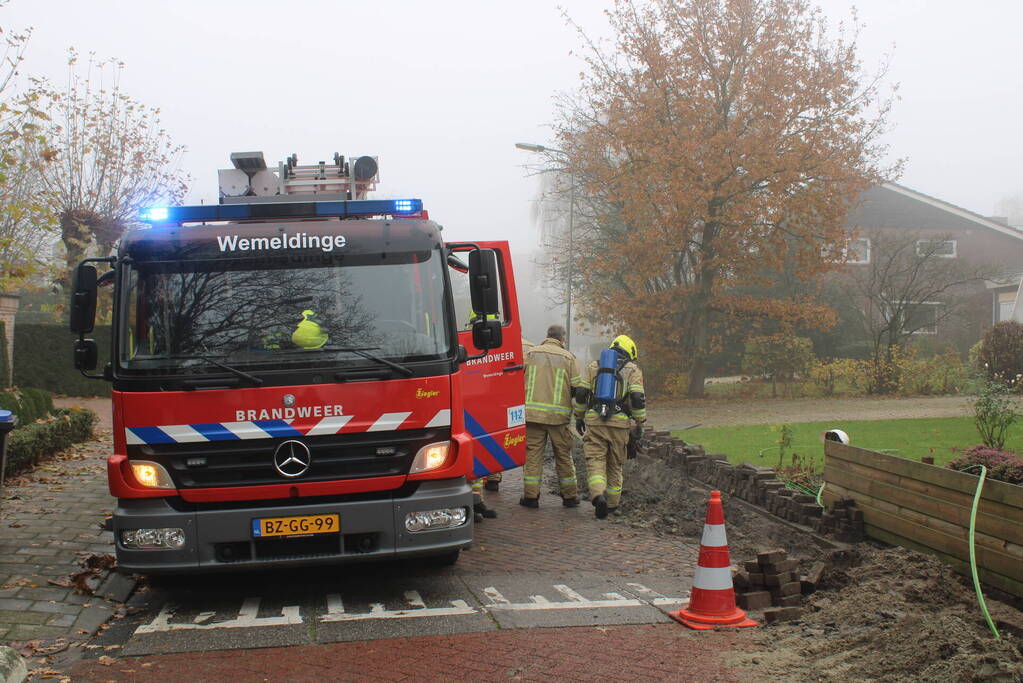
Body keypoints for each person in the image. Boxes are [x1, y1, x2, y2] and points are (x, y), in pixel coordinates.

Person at [574, 334, 646, 519]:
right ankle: (612, 506)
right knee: (615, 464)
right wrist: (640, 422)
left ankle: (598, 495)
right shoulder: (633, 370)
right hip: (619, 424)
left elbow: (581, 393)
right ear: (629, 352)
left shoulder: (594, 366)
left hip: (595, 421)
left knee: (595, 460)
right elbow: (637, 398)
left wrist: (579, 417)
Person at [519, 325, 582, 508]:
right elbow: (577, 389)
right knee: (563, 456)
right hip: (558, 418)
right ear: (562, 339)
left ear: (547, 336)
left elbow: (517, 378)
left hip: (532, 415)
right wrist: (579, 415)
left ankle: (531, 497)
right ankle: (570, 497)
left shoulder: (531, 354)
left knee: (533, 456)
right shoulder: (568, 358)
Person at [484, 336, 534, 492]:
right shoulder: (532, 349)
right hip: (523, 400)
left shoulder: (494, 345)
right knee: (530, 446)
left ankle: (493, 478)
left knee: (495, 438)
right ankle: (530, 488)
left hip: (499, 400)